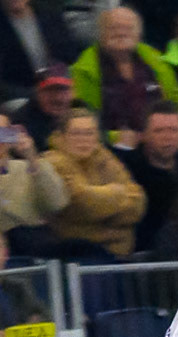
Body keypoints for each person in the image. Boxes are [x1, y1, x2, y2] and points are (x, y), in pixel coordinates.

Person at [71, 6, 178, 147]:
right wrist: (115, 137)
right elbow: (81, 120)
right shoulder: (85, 70)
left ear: (139, 34)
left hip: (162, 145)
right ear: (100, 33)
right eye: (113, 28)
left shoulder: (156, 60)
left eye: (128, 28)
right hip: (113, 149)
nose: (120, 33)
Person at [0, 109, 70, 255]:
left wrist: (32, 158)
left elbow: (57, 204)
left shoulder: (31, 168)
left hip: (33, 247)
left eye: (3, 132)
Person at [42, 107, 146, 257]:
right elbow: (82, 203)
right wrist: (117, 193)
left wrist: (99, 209)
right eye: (76, 133)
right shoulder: (53, 162)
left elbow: (138, 203)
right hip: (78, 255)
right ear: (62, 136)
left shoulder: (104, 158)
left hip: (120, 255)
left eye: (89, 133)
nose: (83, 139)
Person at [116, 101, 178, 252]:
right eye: (159, 131)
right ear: (144, 135)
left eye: (173, 130)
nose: (167, 137)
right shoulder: (126, 170)